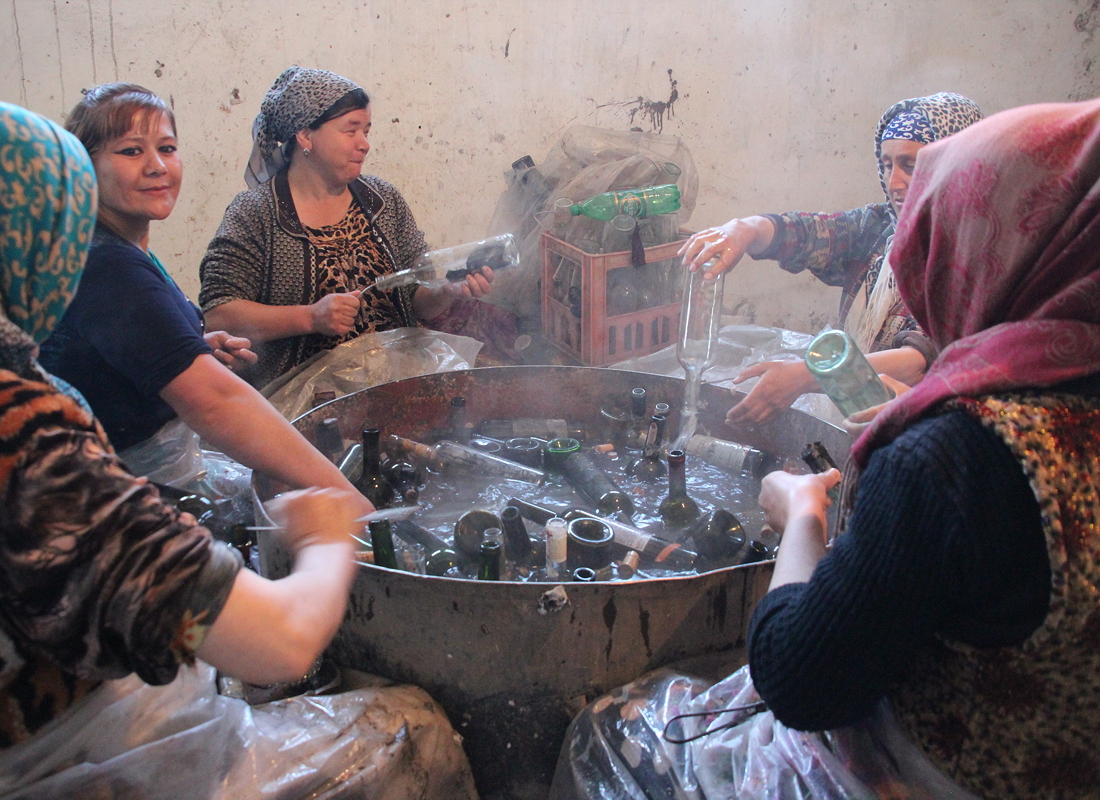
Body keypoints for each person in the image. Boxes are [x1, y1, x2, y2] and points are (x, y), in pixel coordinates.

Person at [0, 91, 474, 799]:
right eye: (54, 220)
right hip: (60, 763)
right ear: (2, 236)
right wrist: (330, 528)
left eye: (166, 148)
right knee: (414, 723)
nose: (65, 245)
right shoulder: (7, 437)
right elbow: (279, 644)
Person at [552, 98, 1100, 799]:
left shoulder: (955, 459)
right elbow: (815, 232)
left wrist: (803, 520)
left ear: (988, 243)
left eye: (942, 222)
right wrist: (750, 230)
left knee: (612, 730)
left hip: (936, 773)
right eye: (892, 165)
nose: (905, 193)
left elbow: (801, 682)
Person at [39, 83, 371, 507]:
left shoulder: (378, 200)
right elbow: (218, 402)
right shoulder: (111, 265)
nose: (158, 166)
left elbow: (134, 345)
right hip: (121, 498)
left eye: (167, 148)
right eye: (130, 152)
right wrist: (348, 498)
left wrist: (188, 349)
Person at [678, 93, 982, 426]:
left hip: (925, 431)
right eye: (887, 164)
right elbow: (810, 233)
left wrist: (807, 376)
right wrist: (743, 230)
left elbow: (919, 359)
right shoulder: (879, 229)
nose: (894, 182)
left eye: (911, 165)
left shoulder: (971, 253)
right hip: (857, 416)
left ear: (953, 165)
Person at [200, 66, 510, 390]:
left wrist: (446, 290)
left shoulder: (383, 201)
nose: (364, 144)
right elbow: (219, 315)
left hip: (396, 383)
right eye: (351, 131)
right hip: (303, 403)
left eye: (367, 131)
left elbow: (416, 297)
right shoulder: (256, 214)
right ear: (305, 135)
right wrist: (311, 317)